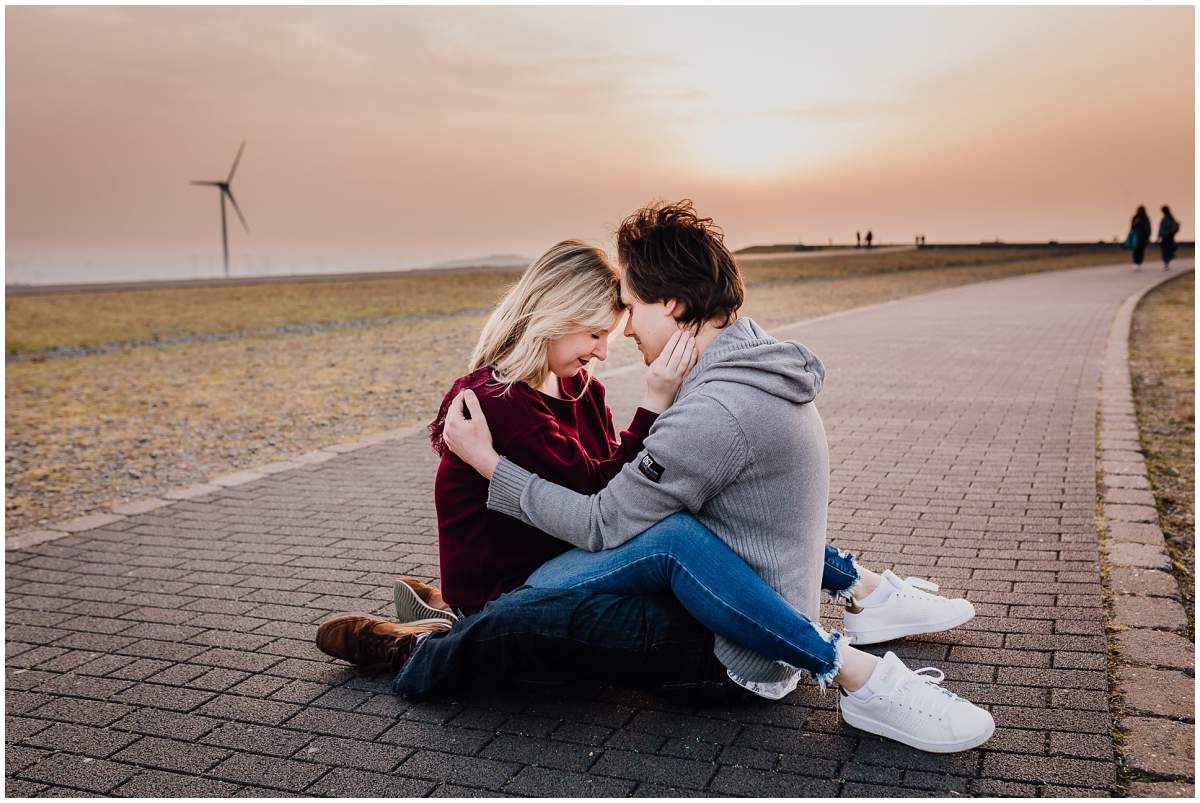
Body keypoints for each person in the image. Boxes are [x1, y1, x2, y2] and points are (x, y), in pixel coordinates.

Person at [317, 206, 994, 754]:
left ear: (669, 303)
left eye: (630, 309)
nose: (621, 333)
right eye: (599, 325)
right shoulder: (750, 360)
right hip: (588, 569)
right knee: (533, 611)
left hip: (715, 631)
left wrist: (640, 409)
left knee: (647, 549)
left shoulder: (708, 407)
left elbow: (610, 512)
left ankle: (426, 641)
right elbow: (619, 493)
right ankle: (427, 639)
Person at [1128, 206, 1152, 270]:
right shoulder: (1135, 218)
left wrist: (1148, 236)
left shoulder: (1146, 218)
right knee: (1136, 250)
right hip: (1136, 237)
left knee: (1141, 250)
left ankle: (1139, 263)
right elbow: (1132, 227)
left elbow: (1148, 229)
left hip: (1143, 237)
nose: (1141, 212)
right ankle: (1136, 263)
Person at [1158, 205, 1180, 271]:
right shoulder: (1167, 218)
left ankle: (1166, 264)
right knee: (1166, 250)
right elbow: (1161, 229)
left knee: (1167, 250)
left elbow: (1163, 228)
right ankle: (1166, 264)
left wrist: (1160, 235)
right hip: (1166, 237)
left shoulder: (1168, 218)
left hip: (1168, 237)